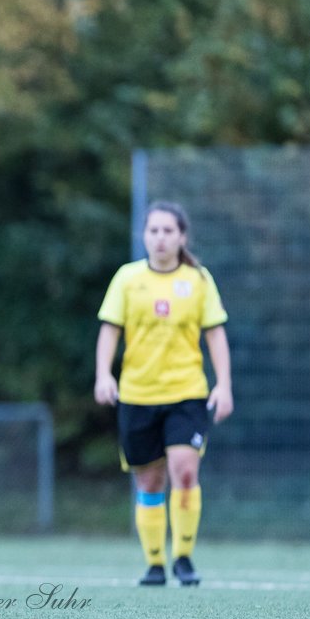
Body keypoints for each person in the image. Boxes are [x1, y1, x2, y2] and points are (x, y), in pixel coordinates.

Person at [95, 201, 232, 587]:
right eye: (153, 231)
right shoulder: (127, 278)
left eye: (168, 231)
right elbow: (110, 329)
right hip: (138, 395)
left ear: (181, 236)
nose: (160, 238)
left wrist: (224, 384)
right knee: (150, 483)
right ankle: (155, 563)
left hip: (186, 392)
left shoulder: (199, 279)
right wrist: (104, 374)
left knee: (185, 472)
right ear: (144, 236)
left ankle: (184, 558)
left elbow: (215, 333)